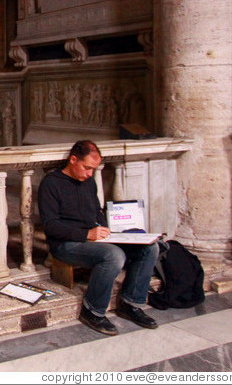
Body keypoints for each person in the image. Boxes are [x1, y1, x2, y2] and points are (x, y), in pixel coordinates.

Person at [38, 139, 159, 335]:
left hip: (93, 239)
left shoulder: (89, 182)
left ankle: (130, 303)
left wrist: (105, 228)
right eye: (86, 168)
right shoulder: (51, 184)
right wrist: (86, 234)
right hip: (66, 244)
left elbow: (96, 211)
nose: (89, 174)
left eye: (93, 169)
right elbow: (51, 226)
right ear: (73, 159)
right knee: (114, 255)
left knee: (150, 247)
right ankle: (92, 310)